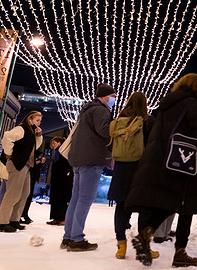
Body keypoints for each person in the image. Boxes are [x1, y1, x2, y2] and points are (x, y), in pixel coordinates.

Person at [126, 73, 197, 267]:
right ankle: (180, 252)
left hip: (164, 161)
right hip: (187, 163)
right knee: (187, 207)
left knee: (169, 202)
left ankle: (145, 234)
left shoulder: (166, 105)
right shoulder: (193, 104)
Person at [61, 83, 116, 252]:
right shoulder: (100, 110)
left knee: (76, 199)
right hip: (91, 160)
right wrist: (117, 126)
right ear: (105, 96)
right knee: (85, 199)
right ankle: (77, 239)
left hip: (78, 159)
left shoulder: (87, 109)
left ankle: (68, 237)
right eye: (113, 96)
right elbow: (104, 131)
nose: (114, 99)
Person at [107, 91, 158, 260]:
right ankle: (144, 248)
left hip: (121, 170)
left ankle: (121, 247)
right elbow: (155, 146)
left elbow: (110, 147)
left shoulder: (118, 122)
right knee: (145, 209)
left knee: (121, 208)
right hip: (141, 170)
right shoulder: (148, 121)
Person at [0, 111, 43, 232]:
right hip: (18, 165)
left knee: (24, 194)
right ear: (30, 119)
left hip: (26, 166)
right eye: (37, 120)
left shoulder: (31, 132)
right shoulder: (21, 128)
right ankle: (2, 222)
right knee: (13, 194)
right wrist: (10, 154)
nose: (39, 123)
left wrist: (38, 135)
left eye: (40, 120)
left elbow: (35, 147)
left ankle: (14, 220)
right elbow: (7, 137)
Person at [46, 137, 73, 226]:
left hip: (64, 179)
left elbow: (68, 165)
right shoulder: (55, 152)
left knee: (62, 198)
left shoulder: (65, 151)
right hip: (56, 178)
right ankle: (55, 217)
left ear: (60, 143)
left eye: (54, 143)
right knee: (54, 197)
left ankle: (62, 218)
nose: (52, 145)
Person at [21, 149, 46, 224]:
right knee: (25, 197)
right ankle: (20, 214)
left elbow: (37, 168)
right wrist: (34, 163)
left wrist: (40, 164)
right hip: (28, 178)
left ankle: (24, 214)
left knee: (28, 198)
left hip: (33, 179)